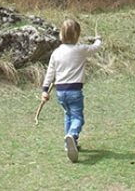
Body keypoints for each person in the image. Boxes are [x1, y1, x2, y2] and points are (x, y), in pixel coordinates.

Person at [41, 18, 102, 163]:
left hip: (60, 92)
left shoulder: (56, 53)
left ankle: (68, 144)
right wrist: (98, 39)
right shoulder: (80, 50)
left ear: (61, 35)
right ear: (77, 36)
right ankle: (72, 136)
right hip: (75, 91)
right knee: (78, 118)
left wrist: (45, 89)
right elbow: (96, 48)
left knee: (68, 115)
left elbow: (50, 72)